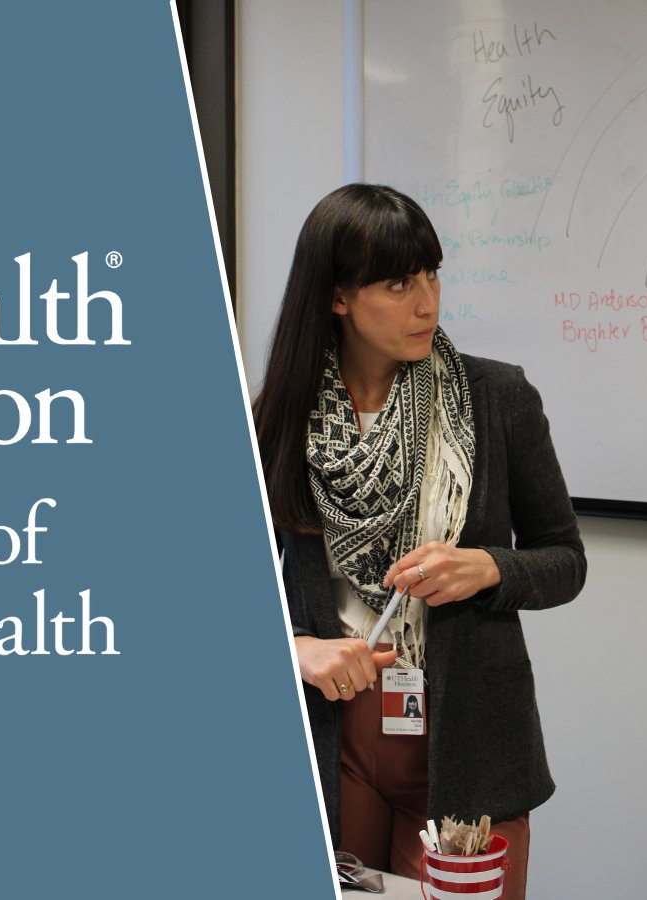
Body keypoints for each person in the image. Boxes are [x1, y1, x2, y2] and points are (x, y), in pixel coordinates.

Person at [255, 183, 586, 898]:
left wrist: (488, 568)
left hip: (469, 736)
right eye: (399, 283)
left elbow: (565, 561)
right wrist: (298, 648)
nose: (428, 302)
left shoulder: (496, 398)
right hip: (333, 736)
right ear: (338, 297)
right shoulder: (278, 421)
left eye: (433, 274)